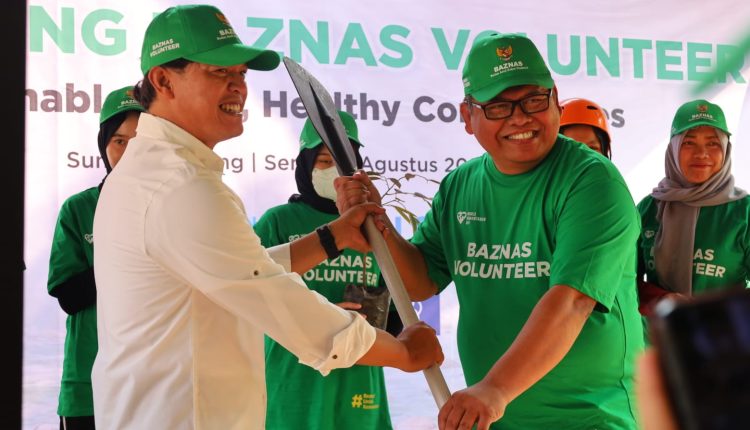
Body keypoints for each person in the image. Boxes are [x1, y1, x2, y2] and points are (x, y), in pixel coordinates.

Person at [91, 5, 442, 429]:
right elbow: (280, 302)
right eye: (219, 72)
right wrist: (402, 352)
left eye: (240, 73)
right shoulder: (179, 186)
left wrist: (331, 239)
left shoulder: (151, 173)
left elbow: (229, 272)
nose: (237, 86)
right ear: (164, 81)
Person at [336, 32, 644, 429]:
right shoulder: (460, 186)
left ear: (555, 99)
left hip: (591, 418)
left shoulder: (592, 181)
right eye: (498, 106)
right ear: (468, 116)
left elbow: (571, 301)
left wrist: (495, 389)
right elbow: (420, 282)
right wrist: (378, 225)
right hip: (497, 418)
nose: (520, 118)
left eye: (533, 100)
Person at [254, 110, 401, 429]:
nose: (333, 169)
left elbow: (396, 315)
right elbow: (250, 306)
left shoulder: (374, 225)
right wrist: (324, 322)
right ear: (305, 164)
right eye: (323, 160)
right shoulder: (277, 223)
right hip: (293, 385)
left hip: (359, 384)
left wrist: (372, 321)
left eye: (342, 160)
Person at [47, 86, 145, 430]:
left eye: (140, 142)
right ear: (104, 144)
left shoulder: (176, 208)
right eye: (119, 141)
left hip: (154, 385)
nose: (129, 152)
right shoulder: (79, 209)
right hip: (87, 387)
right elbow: (69, 296)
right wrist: (126, 258)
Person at [636, 99, 749, 316]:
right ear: (673, 148)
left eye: (713, 143)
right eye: (688, 143)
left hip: (723, 334)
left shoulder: (743, 212)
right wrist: (661, 299)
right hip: (655, 334)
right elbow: (624, 282)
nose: (701, 153)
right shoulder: (648, 209)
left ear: (726, 149)